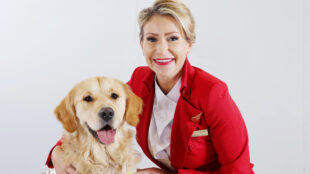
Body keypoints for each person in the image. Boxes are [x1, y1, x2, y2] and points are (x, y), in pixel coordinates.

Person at [46, 0, 255, 173]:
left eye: (173, 38)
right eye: (152, 39)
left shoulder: (212, 92)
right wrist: (57, 151)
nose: (161, 50)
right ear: (142, 45)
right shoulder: (139, 80)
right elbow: (95, 114)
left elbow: (239, 170)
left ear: (188, 44)